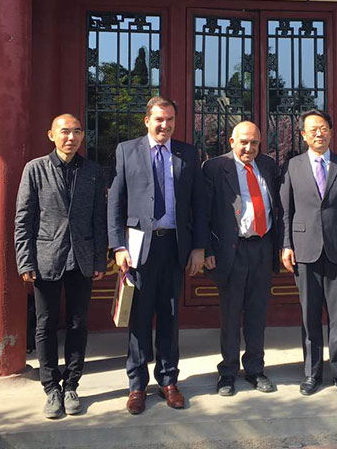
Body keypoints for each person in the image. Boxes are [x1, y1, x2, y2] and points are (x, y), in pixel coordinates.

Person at [108, 96, 207, 415]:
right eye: (159, 120)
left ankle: (168, 381)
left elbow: (198, 205)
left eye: (170, 120)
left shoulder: (187, 154)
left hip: (174, 246)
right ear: (146, 120)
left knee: (170, 316)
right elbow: (116, 202)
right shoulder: (127, 150)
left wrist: (199, 247)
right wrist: (118, 246)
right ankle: (137, 385)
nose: (165, 126)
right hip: (138, 248)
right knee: (138, 318)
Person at [15, 114, 107, 419]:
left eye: (77, 131)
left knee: (78, 323)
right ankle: (50, 388)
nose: (72, 137)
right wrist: (25, 259)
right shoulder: (36, 169)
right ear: (51, 135)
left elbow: (99, 218)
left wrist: (99, 258)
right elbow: (24, 218)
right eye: (65, 132)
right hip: (46, 258)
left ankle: (71, 385)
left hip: (81, 259)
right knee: (46, 324)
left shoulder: (92, 171)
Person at [280, 109, 337, 399]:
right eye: (313, 129)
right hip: (304, 250)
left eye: (324, 128)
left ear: (331, 131)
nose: (319, 133)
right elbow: (286, 211)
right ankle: (312, 373)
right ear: (303, 135)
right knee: (309, 316)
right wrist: (286, 244)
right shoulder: (292, 166)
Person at [202, 121, 282, 397]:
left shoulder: (269, 166)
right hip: (230, 251)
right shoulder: (214, 168)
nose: (249, 148)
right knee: (231, 313)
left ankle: (255, 369)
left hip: (262, 247)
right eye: (244, 142)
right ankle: (227, 373)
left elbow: (279, 208)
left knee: (258, 314)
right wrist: (206, 250)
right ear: (231, 141)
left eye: (255, 143)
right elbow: (203, 213)